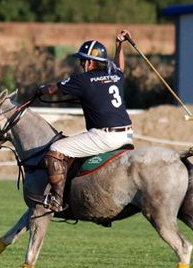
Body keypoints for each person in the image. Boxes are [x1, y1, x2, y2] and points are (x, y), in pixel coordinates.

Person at [35, 30, 134, 210]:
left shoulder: (82, 80)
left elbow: (54, 89)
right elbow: (120, 67)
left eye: (82, 60)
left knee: (56, 148)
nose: (81, 64)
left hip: (104, 136)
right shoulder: (115, 75)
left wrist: (40, 90)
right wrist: (120, 45)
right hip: (127, 134)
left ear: (89, 62)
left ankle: (56, 199)